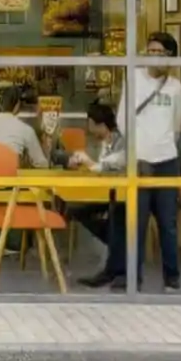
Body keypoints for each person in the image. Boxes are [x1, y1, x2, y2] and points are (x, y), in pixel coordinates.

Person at [79, 32, 181, 292]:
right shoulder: (134, 79)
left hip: (166, 161)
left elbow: (176, 126)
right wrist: (139, 146)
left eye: (160, 52)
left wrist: (160, 143)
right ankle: (131, 277)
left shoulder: (176, 88)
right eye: (151, 51)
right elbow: (124, 119)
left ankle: (172, 278)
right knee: (134, 222)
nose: (154, 57)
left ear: (170, 57)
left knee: (168, 224)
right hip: (139, 161)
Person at [67, 101, 127, 286]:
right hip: (103, 192)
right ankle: (115, 244)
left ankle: (115, 264)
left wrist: (90, 163)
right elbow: (91, 164)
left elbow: (113, 164)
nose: (89, 128)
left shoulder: (121, 141)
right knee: (75, 209)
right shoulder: (96, 142)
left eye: (91, 124)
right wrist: (77, 161)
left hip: (122, 193)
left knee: (117, 212)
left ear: (100, 124)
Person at [0, 86, 52, 168]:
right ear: (17, 105)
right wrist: (46, 150)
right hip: (11, 175)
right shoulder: (26, 130)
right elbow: (42, 164)